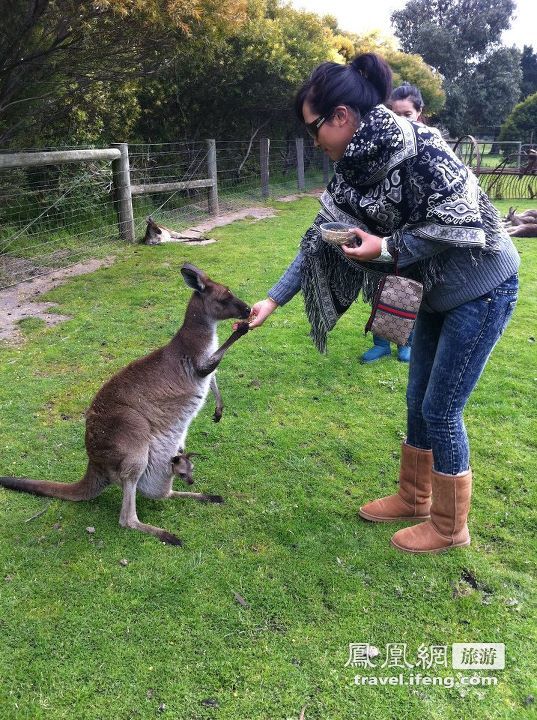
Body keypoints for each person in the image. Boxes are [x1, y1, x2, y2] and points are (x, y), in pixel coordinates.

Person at [241, 53, 520, 554]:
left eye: (314, 128)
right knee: (418, 401)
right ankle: (415, 497)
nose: (314, 140)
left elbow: (460, 222)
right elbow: (318, 241)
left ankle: (450, 527)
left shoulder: (422, 148)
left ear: (342, 117)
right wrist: (272, 300)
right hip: (434, 296)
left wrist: (387, 248)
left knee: (441, 409)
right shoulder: (352, 172)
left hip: (483, 288)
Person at [361, 83, 427, 364]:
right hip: (380, 232)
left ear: (419, 113)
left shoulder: (427, 148)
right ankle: (381, 343)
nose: (399, 120)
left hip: (413, 236)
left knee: (409, 288)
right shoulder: (379, 148)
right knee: (380, 286)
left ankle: (406, 342)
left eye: (407, 113)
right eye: (393, 113)